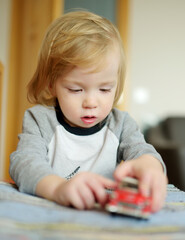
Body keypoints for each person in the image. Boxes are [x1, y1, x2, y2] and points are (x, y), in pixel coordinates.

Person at [10, 11, 167, 213]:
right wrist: (58, 188)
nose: (91, 102)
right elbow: (24, 163)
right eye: (76, 90)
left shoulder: (121, 124)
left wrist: (149, 165)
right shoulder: (40, 120)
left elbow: (141, 150)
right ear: (51, 86)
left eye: (104, 89)